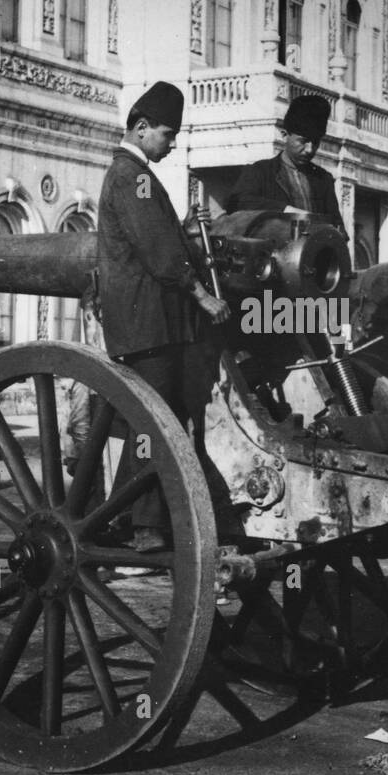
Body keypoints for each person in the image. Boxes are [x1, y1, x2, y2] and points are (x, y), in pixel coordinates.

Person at [96, 81, 231, 554]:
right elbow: (157, 252)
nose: (172, 145)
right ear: (140, 128)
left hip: (149, 321)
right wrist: (203, 297)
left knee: (153, 422)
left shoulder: (135, 175)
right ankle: (145, 526)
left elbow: (160, 238)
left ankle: (121, 517)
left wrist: (187, 230)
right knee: (156, 423)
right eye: (167, 134)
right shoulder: (131, 175)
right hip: (147, 321)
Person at [224, 95, 347, 234]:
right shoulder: (260, 171)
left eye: (315, 142)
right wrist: (285, 210)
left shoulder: (323, 179)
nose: (310, 149)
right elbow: (236, 203)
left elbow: (338, 229)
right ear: (284, 135)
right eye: (303, 141)